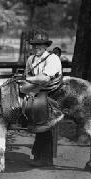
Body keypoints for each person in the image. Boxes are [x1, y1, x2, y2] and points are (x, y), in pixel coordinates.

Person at [24, 31, 63, 167]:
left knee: (42, 117)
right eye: (34, 45)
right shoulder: (31, 59)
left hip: (52, 92)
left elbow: (45, 78)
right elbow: (26, 76)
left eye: (39, 45)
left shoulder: (52, 59)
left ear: (46, 45)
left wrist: (28, 80)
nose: (36, 47)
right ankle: (38, 154)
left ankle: (46, 158)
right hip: (37, 91)